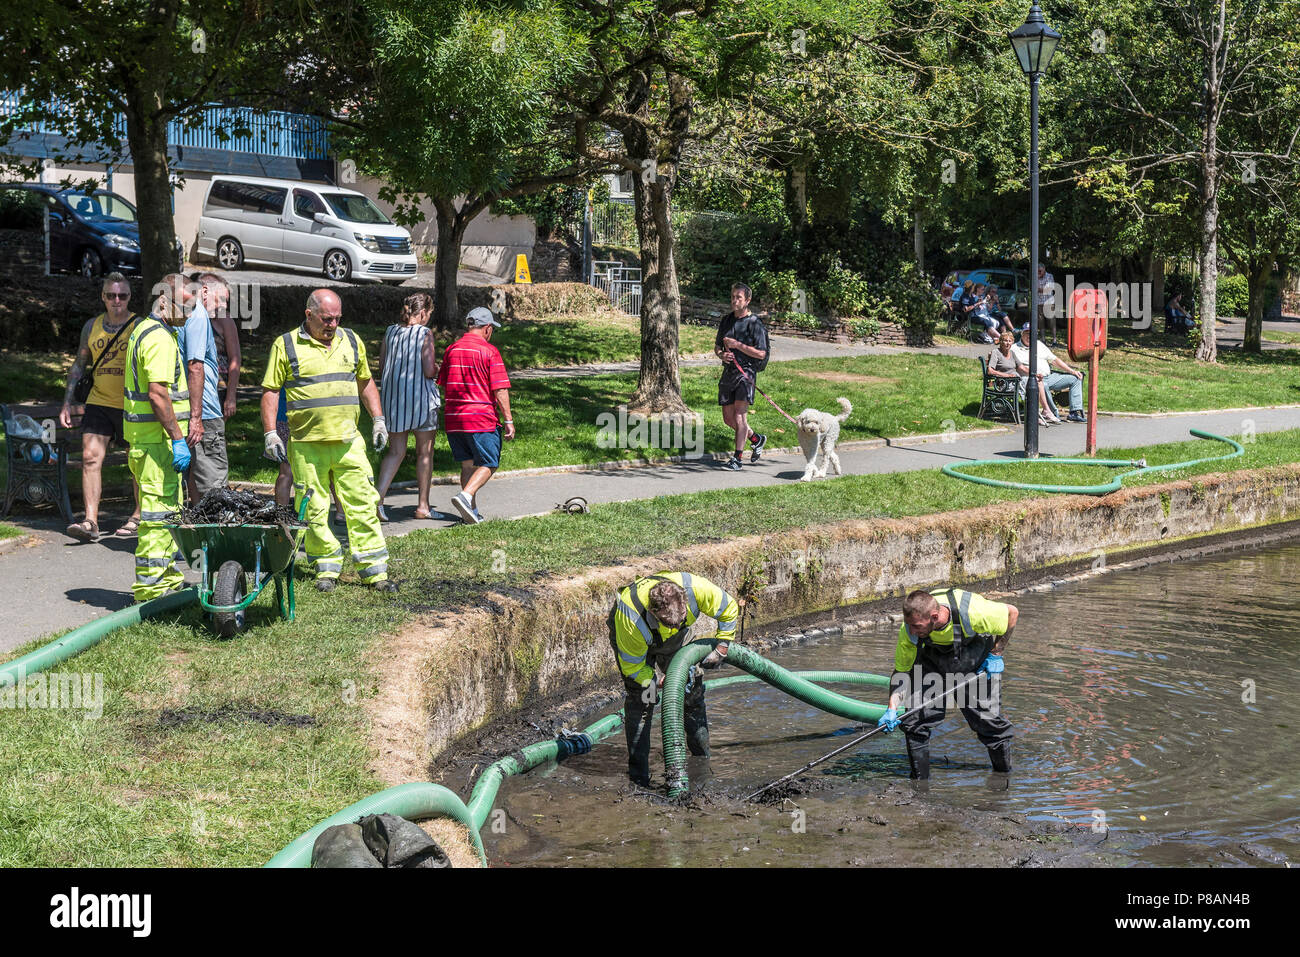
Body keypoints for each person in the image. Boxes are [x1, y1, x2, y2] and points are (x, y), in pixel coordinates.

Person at [260, 289, 397, 594]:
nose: (332, 324)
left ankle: (375, 570)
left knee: (362, 503)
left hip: (349, 442)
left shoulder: (351, 340)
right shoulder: (285, 345)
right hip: (307, 445)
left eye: (337, 318)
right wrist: (271, 432)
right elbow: (271, 390)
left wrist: (378, 419)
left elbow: (365, 381)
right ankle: (326, 568)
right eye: (326, 319)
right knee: (315, 509)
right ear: (308, 315)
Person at [608, 571, 740, 786]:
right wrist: (658, 681)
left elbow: (729, 608)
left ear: (685, 600)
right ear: (654, 611)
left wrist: (723, 646)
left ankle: (701, 762)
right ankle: (639, 778)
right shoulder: (631, 620)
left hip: (677, 643)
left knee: (691, 695)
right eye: (671, 623)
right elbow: (634, 666)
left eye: (681, 620)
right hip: (640, 649)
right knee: (644, 702)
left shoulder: (696, 590)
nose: (677, 625)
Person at [876, 588, 1019, 781]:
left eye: (917, 626)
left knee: (989, 722)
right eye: (910, 625)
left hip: (974, 665)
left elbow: (1012, 612)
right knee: (915, 723)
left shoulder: (973, 612)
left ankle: (1003, 780)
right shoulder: (909, 631)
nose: (912, 631)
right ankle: (920, 787)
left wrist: (996, 654)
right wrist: (892, 708)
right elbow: (902, 672)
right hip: (931, 667)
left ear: (935, 616)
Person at [123, 273, 192, 601]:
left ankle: (167, 581)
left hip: (146, 441)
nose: (188, 313)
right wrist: (178, 437)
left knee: (165, 512)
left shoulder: (143, 331)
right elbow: (158, 394)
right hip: (157, 444)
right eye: (184, 305)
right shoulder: (160, 339)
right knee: (156, 517)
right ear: (164, 301)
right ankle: (151, 590)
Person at [60, 272, 142, 542]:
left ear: (129, 297)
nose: (116, 300)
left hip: (131, 404)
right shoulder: (91, 326)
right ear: (103, 297)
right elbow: (79, 365)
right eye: (111, 295)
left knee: (136, 462)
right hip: (98, 402)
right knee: (90, 458)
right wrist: (68, 402)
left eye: (122, 295)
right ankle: (90, 521)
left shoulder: (138, 325)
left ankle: (139, 515)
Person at [435, 306, 513, 524]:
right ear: (487, 329)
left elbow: (443, 382)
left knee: (467, 465)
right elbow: (500, 389)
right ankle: (465, 496)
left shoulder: (452, 349)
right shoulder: (490, 351)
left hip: (454, 418)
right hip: (480, 417)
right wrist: (508, 419)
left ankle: (471, 511)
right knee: (490, 462)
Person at [376, 292, 441, 521]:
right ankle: (423, 505)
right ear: (423, 313)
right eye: (429, 314)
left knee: (395, 452)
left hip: (394, 401)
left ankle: (377, 499)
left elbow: (383, 365)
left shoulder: (390, 331)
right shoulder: (425, 334)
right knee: (425, 452)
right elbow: (428, 369)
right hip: (421, 400)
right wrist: (438, 369)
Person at [176, 274, 229, 500]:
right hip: (203, 412)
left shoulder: (170, 316)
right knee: (214, 488)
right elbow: (195, 366)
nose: (223, 308)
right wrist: (197, 417)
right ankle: (216, 534)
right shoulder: (196, 313)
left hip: (180, 407)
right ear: (204, 292)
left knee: (192, 479)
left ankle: (197, 530)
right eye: (222, 300)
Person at [714, 282, 768, 471]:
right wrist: (722, 355)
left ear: (748, 300)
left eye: (739, 297)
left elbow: (761, 353)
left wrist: (738, 346)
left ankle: (737, 458)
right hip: (729, 373)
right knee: (728, 419)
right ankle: (756, 438)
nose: (734, 301)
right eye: (733, 297)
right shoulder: (726, 320)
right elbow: (718, 347)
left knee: (739, 416)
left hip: (746, 374)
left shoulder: (755, 324)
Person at [1011, 322, 1086, 422]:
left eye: (1031, 333)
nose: (1029, 336)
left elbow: (1054, 360)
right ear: (1022, 334)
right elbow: (1018, 367)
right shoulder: (1015, 348)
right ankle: (1052, 412)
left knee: (1075, 378)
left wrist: (1072, 371)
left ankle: (1074, 412)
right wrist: (1034, 374)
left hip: (1049, 376)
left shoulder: (1039, 345)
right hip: (1032, 379)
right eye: (1026, 333)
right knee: (1043, 384)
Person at [988, 331, 1061, 426]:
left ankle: (1045, 410)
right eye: (1005, 341)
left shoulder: (1012, 353)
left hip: (1016, 380)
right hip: (1004, 383)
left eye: (1010, 341)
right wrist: (1007, 376)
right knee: (1030, 386)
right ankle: (1034, 415)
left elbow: (1021, 367)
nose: (1007, 343)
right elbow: (990, 371)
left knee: (1037, 381)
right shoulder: (996, 353)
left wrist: (1035, 374)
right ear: (1001, 341)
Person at [1036, 263, 1057, 344]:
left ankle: (1054, 339)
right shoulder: (1036, 276)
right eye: (1038, 271)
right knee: (1040, 321)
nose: (1039, 272)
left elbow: (1049, 289)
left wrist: (1041, 289)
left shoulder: (1049, 276)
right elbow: (1034, 288)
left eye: (1040, 271)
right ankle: (1043, 339)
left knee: (1051, 321)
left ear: (1044, 269)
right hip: (1039, 302)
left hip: (1049, 302)